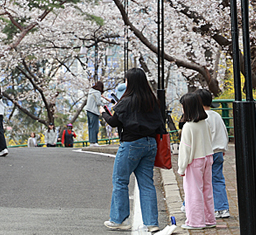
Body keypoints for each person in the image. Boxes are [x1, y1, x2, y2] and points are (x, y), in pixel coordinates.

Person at [101, 67, 165, 232]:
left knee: (120, 181)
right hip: (151, 144)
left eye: (127, 80)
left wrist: (103, 113)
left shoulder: (126, 100)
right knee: (146, 184)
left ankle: (118, 219)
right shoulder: (152, 100)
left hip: (131, 144)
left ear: (131, 82)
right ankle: (152, 223)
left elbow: (115, 122)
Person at [177, 92, 216, 230]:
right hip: (207, 157)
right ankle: (209, 218)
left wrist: (181, 168)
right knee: (207, 190)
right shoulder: (204, 123)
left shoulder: (188, 126)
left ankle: (195, 221)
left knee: (193, 191)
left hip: (194, 161)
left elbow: (185, 150)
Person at [198, 89, 230, 219]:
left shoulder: (202, 118)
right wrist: (223, 149)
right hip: (218, 152)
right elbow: (224, 133)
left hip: (207, 152)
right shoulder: (216, 115)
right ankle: (223, 207)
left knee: (201, 180)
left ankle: (209, 208)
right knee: (218, 179)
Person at [85, 81, 106, 145]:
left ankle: (91, 142)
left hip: (88, 110)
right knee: (95, 127)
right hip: (94, 111)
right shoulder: (98, 92)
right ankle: (94, 142)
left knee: (90, 127)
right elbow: (98, 103)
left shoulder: (91, 91)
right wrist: (103, 105)